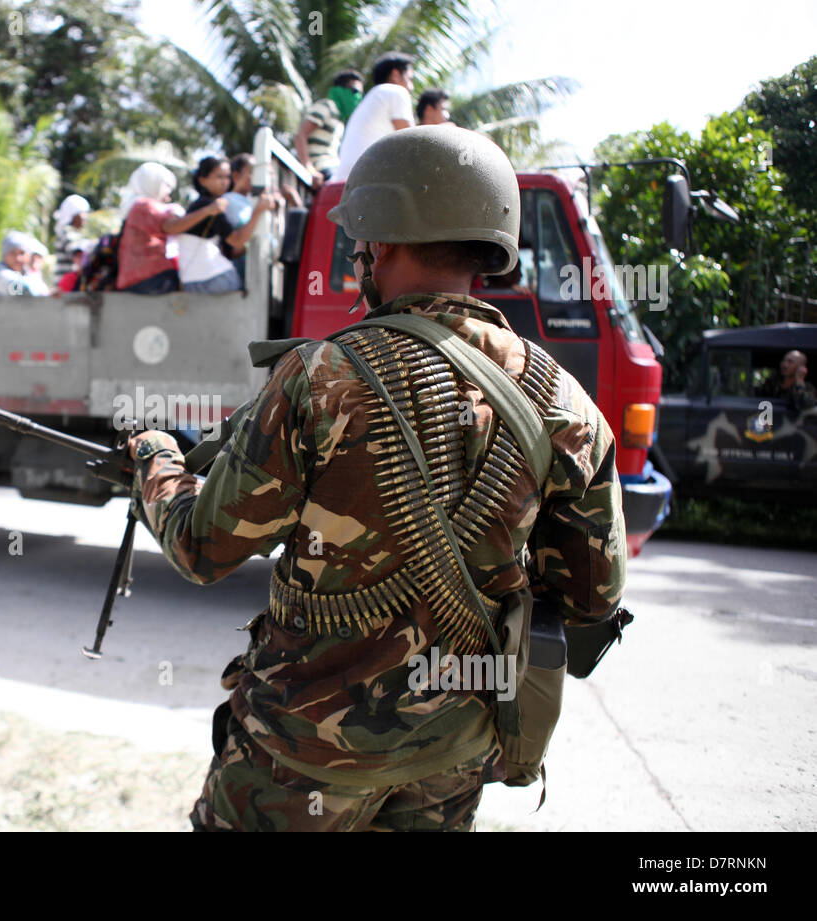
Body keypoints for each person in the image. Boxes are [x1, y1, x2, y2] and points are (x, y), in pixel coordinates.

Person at [123, 125, 626, 831]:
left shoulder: (320, 376)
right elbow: (591, 595)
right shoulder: (563, 398)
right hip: (451, 755)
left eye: (360, 239)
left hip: (299, 759)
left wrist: (155, 460)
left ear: (380, 243)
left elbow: (204, 548)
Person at [170, 156, 276, 294]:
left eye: (227, 177)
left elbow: (233, 250)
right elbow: (237, 241)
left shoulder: (205, 204)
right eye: (219, 177)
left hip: (192, 281)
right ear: (202, 180)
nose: (225, 182)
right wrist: (259, 211)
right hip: (211, 279)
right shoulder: (210, 206)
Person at [335, 52, 416, 181]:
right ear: (395, 75)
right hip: (368, 181)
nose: (411, 86)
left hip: (345, 180)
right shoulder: (397, 91)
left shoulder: (371, 98)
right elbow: (414, 142)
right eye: (410, 78)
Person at [116, 162, 184, 294]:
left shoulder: (132, 205)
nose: (169, 195)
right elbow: (173, 226)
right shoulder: (144, 205)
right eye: (167, 186)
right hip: (151, 278)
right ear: (154, 183)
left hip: (133, 279)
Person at [294, 69, 364, 189]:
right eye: (354, 91)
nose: (357, 97)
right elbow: (301, 135)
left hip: (334, 167)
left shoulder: (340, 119)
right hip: (321, 166)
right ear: (341, 89)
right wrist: (309, 168)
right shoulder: (326, 106)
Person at [0, 231, 49, 296]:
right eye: (13, 253)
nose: (18, 258)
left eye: (22, 253)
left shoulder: (27, 273)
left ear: (28, 255)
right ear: (4, 255)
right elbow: (20, 289)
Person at [53, 194, 92, 280]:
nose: (86, 217)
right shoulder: (67, 232)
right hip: (65, 285)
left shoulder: (71, 233)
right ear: (74, 215)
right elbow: (77, 249)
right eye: (83, 213)